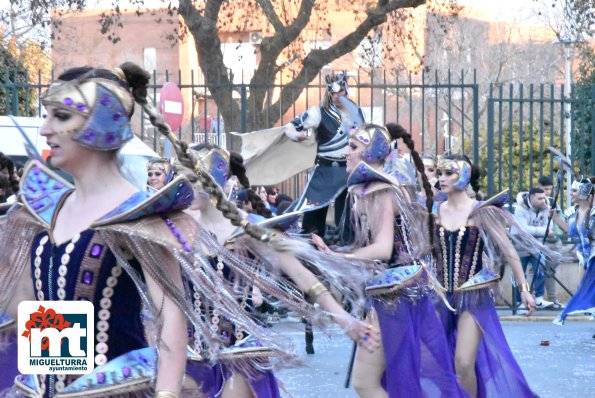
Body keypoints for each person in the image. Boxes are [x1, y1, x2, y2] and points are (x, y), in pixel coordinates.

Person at [0, 62, 379, 398]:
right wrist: (57, 377)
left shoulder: (147, 218)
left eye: (61, 116)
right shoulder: (46, 210)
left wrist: (343, 318)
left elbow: (172, 320)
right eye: (46, 115)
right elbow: (54, 317)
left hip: (219, 358)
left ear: (101, 126)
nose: (46, 129)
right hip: (148, 368)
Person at [179, 144, 381, 398]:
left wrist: (345, 319)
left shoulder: (250, 229)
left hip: (239, 352)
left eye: (193, 178)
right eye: (184, 179)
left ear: (216, 179)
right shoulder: (180, 229)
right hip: (192, 352)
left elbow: (301, 275)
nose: (186, 186)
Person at [312, 124, 465, 398]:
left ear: (370, 153)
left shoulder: (380, 190)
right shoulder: (382, 188)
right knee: (385, 379)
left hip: (395, 294)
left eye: (353, 147)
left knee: (367, 381)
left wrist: (336, 256)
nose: (346, 153)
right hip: (396, 292)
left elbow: (382, 249)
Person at [433, 154, 551, 398]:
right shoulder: (435, 210)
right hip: (440, 297)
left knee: (464, 363)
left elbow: (509, 250)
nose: (441, 178)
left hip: (473, 297)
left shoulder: (480, 211)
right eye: (439, 173)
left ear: (463, 176)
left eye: (448, 173)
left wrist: (525, 289)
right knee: (440, 364)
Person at [286, 72, 364, 239]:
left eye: (340, 91)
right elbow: (291, 126)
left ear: (346, 89)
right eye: (333, 92)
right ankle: (311, 253)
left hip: (348, 172)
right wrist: (295, 135)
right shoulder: (318, 113)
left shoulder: (356, 113)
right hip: (325, 171)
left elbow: (364, 138)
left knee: (347, 221)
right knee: (312, 221)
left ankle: (347, 251)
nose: (336, 96)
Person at [513, 187, 566, 309]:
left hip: (537, 246)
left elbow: (549, 226)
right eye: (540, 198)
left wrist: (542, 231)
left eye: (544, 198)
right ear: (531, 198)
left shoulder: (545, 208)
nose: (543, 200)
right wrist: (543, 231)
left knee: (541, 268)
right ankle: (518, 300)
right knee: (520, 273)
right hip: (520, 246)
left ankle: (538, 298)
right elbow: (523, 229)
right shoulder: (520, 210)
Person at [555, 177, 595, 324]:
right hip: (583, 256)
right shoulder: (572, 212)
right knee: (582, 289)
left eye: (574, 190)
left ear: (584, 193)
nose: (570, 193)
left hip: (593, 255)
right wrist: (555, 219)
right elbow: (572, 232)